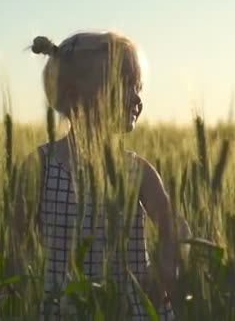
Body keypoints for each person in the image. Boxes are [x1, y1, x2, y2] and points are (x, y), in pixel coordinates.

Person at [11, 30, 180, 320]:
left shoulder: (137, 172)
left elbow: (174, 230)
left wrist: (162, 270)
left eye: (138, 86)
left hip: (129, 311)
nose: (137, 97)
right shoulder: (40, 167)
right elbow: (13, 247)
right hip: (62, 310)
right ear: (75, 95)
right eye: (124, 84)